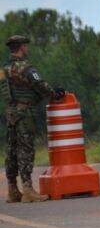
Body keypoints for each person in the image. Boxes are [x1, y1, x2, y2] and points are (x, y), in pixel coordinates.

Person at [1, 35, 65, 203]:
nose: (27, 49)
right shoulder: (27, 69)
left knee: (11, 151)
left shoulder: (4, 69)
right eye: (25, 46)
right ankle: (28, 189)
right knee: (25, 151)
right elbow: (41, 86)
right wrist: (55, 94)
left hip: (11, 114)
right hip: (25, 115)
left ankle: (12, 190)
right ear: (21, 47)